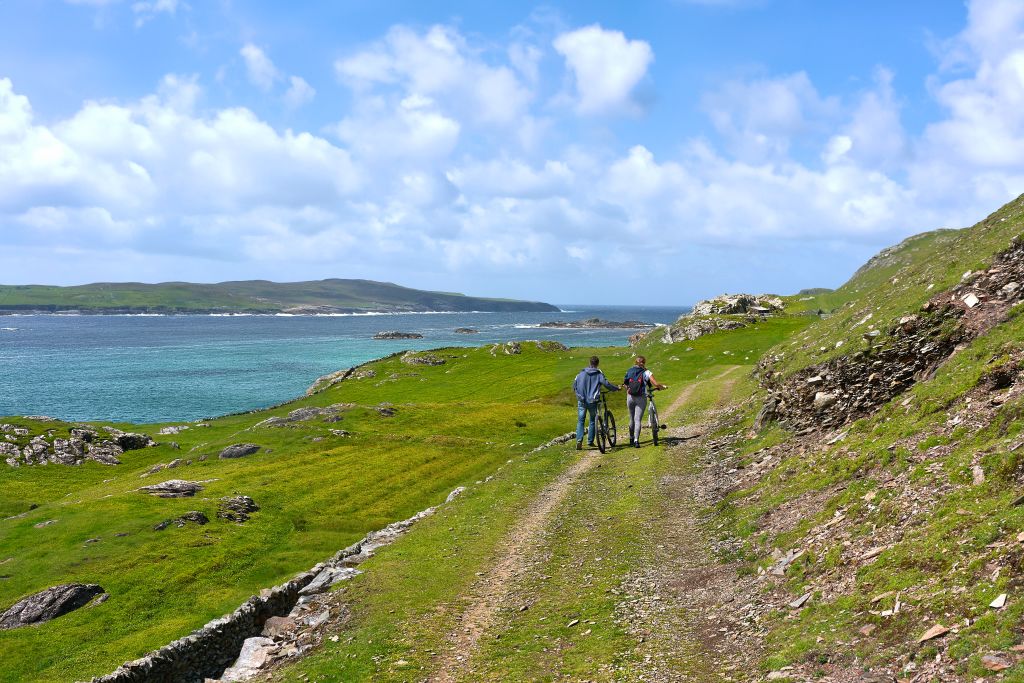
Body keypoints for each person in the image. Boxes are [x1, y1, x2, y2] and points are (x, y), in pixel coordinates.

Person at [572, 356, 620, 450]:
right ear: (597, 363)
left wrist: (579, 395)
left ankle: (579, 440)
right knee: (592, 420)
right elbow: (606, 384)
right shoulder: (598, 373)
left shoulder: (581, 373)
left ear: (589, 362)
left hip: (581, 400)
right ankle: (590, 441)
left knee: (581, 420)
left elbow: (574, 385)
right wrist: (616, 388)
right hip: (592, 401)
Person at [623, 355, 667, 448]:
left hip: (630, 396)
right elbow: (655, 384)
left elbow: (625, 383)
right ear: (644, 363)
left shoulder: (629, 370)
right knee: (637, 419)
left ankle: (631, 438)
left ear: (635, 362)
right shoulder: (647, 372)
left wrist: (628, 389)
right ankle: (636, 441)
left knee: (631, 419)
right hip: (641, 397)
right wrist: (662, 387)